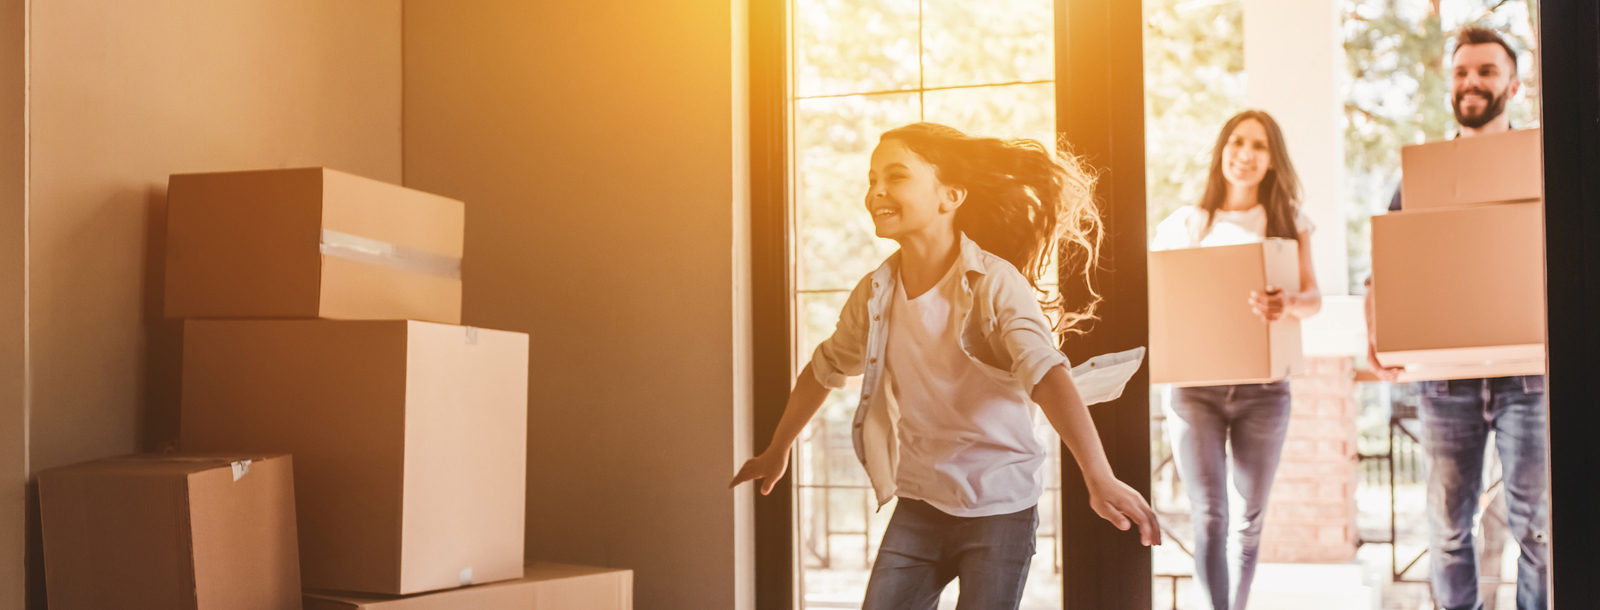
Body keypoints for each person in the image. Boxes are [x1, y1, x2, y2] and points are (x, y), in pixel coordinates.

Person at [728, 123, 1160, 610]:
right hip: (920, 502)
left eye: (895, 177)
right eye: (871, 180)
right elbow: (825, 367)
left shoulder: (996, 284)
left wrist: (1098, 477)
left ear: (950, 196)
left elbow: (1046, 373)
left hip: (1000, 506)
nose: (876, 192)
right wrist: (777, 448)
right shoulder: (874, 294)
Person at [1366, 26, 1548, 610]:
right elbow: (1386, 269)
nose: (1472, 82)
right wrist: (1377, 333)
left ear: (1513, 85)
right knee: (1447, 530)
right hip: (1445, 382)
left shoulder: (1544, 166)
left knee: (1540, 529)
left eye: (1487, 71)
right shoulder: (1421, 176)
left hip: (1530, 375)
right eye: (1462, 72)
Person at [1150, 110, 1322, 610]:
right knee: (1209, 514)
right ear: (1222, 150)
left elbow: (1314, 297)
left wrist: (1286, 303)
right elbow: (1162, 294)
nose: (1245, 154)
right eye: (1237, 142)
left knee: (1248, 518)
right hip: (1194, 391)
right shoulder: (1187, 224)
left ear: (1272, 161)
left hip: (1264, 393)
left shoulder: (1288, 220)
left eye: (1259, 147)